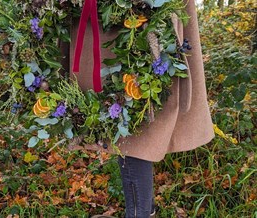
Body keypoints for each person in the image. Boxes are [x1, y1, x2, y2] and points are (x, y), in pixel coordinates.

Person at [66, 0, 215, 217]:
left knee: (138, 126)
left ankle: (140, 213)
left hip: (146, 25)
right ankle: (142, 211)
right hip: (115, 27)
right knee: (127, 120)